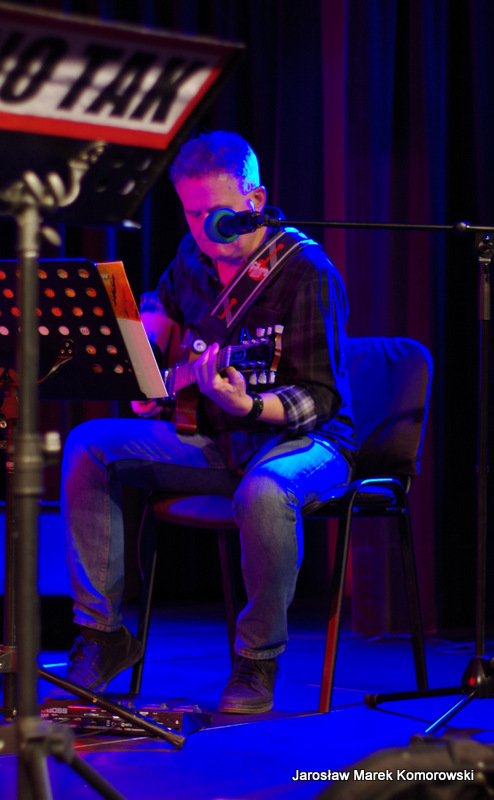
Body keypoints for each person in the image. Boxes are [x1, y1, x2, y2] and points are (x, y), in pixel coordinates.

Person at [61, 131, 358, 714]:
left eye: (217, 214)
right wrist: (148, 367)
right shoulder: (192, 257)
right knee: (88, 444)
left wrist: (249, 406)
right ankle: (102, 634)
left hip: (304, 439)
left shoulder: (306, 270)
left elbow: (321, 397)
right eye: (192, 214)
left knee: (266, 491)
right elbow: (159, 308)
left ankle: (257, 659)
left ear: (255, 199)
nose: (204, 229)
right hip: (217, 439)